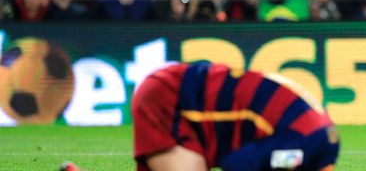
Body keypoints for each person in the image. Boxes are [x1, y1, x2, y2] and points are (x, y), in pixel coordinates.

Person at [132, 61, 339, 171]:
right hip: (168, 97)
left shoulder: (322, 144)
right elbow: (237, 164)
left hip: (187, 94)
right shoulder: (303, 146)